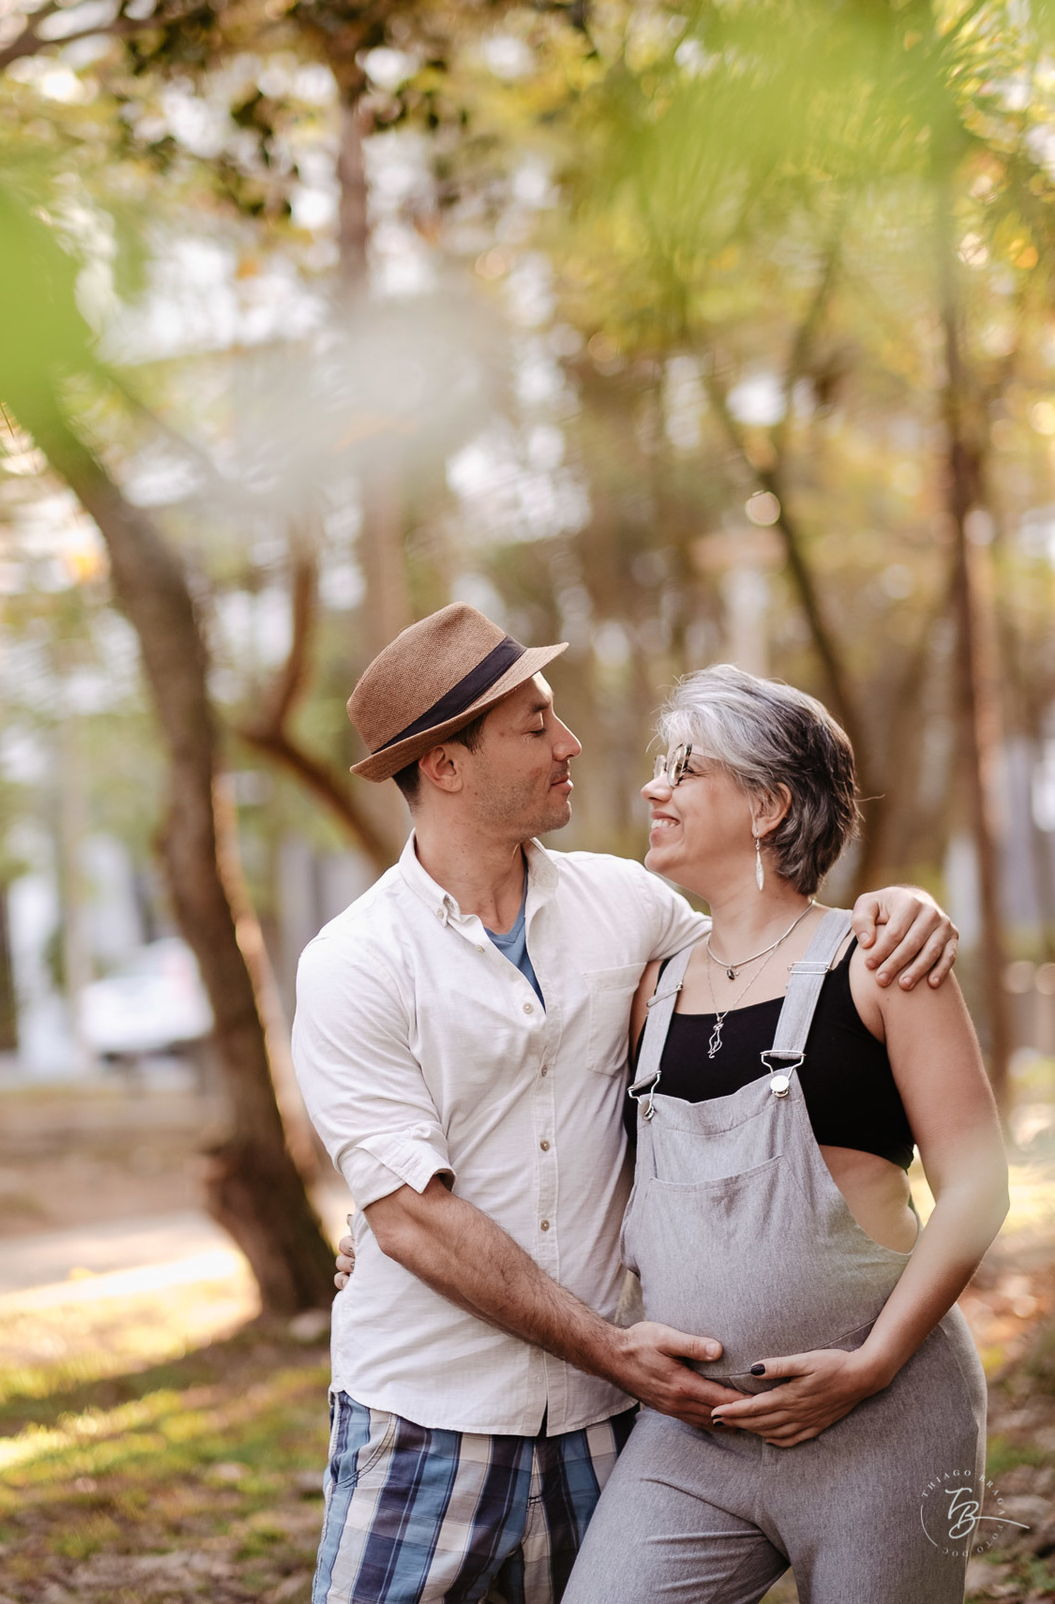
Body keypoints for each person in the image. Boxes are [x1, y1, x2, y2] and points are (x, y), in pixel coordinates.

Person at [292, 605, 958, 1604]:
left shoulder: (629, 908)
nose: (570, 745)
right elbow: (415, 1218)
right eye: (535, 726)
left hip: (610, 1420)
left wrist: (900, 906)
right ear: (445, 765)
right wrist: (383, 1213)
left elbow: (772, 955)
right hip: (433, 1413)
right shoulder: (354, 963)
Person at [561, 666, 1007, 1604]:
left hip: (887, 1426)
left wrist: (870, 1366)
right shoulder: (653, 987)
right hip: (694, 1443)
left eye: (684, 769)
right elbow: (551, 1140)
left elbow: (977, 1186)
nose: (654, 788)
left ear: (768, 805)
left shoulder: (882, 963)